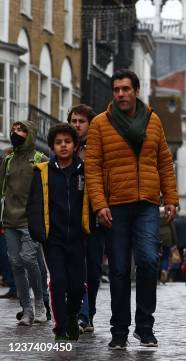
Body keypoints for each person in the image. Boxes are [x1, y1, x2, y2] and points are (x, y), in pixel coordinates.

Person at [85, 70, 179, 350]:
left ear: (136, 91)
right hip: (115, 205)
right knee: (119, 270)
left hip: (148, 204)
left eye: (125, 89)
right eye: (116, 90)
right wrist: (99, 204)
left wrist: (171, 198)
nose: (120, 94)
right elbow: (92, 167)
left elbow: (164, 161)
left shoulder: (153, 121)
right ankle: (119, 331)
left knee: (149, 261)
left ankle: (145, 327)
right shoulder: (101, 123)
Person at [27, 123, 90, 341]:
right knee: (58, 281)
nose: (63, 146)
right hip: (53, 238)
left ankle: (72, 314)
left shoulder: (85, 171)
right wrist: (39, 232)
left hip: (78, 237)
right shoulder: (42, 171)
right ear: (52, 147)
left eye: (67, 142)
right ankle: (60, 328)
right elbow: (34, 203)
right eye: (58, 142)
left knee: (77, 285)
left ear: (75, 146)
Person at [0, 121, 48, 326]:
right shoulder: (8, 160)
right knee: (16, 263)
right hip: (9, 219)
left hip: (31, 220)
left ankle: (40, 303)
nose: (15, 133)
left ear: (30, 134)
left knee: (29, 259)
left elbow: (48, 191)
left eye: (20, 130)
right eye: (13, 130)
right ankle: (26, 309)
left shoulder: (40, 159)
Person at [67, 104, 103, 334]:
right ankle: (81, 313)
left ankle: (87, 313)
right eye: (73, 121)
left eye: (81, 121)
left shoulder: (98, 148)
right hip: (70, 216)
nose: (76, 125)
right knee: (75, 267)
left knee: (93, 268)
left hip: (94, 214)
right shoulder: (65, 148)